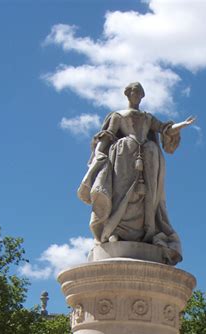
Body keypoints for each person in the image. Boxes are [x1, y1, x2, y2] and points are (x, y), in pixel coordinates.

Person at [78, 81, 196, 264]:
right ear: (127, 95)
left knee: (149, 196)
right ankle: (114, 231)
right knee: (121, 194)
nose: (136, 95)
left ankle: (146, 232)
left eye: (139, 93)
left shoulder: (148, 118)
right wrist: (98, 156)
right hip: (123, 154)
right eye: (134, 92)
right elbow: (107, 135)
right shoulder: (117, 116)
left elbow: (165, 129)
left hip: (149, 156)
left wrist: (182, 124)